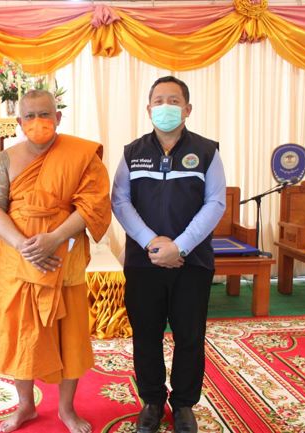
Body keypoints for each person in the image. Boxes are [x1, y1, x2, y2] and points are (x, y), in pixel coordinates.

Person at [0, 90, 111, 433]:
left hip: (63, 256)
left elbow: (93, 206)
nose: (38, 121)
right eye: (30, 116)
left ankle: (67, 410)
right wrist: (21, 244)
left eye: (45, 114)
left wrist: (53, 239)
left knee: (68, 335)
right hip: (18, 258)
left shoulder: (82, 155)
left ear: (58, 117)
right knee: (20, 333)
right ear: (19, 121)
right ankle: (25, 406)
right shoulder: (5, 160)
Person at [111, 76, 226, 433]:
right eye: (158, 101)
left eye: (173, 101)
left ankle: (184, 405)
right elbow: (120, 201)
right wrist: (152, 242)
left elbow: (215, 203)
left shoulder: (207, 151)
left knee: (190, 335)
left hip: (191, 263)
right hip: (144, 262)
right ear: (148, 109)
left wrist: (181, 246)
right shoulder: (133, 152)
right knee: (145, 333)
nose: (165, 107)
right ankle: (151, 401)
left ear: (187, 109)